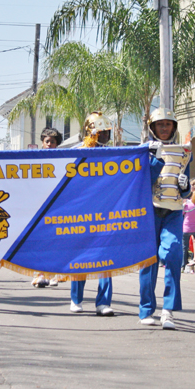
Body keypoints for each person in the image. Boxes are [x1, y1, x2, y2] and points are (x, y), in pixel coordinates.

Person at [139, 108, 191, 329]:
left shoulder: (184, 151)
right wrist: (154, 158)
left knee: (173, 254)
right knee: (149, 260)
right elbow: (143, 181)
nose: (164, 128)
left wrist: (185, 186)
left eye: (168, 124)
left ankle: (168, 310)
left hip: (173, 211)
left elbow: (187, 188)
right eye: (160, 124)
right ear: (152, 127)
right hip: (150, 210)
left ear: (174, 127)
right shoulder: (143, 150)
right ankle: (146, 309)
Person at [70, 112, 115, 316]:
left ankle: (103, 302)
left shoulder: (115, 154)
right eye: (101, 133)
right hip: (80, 213)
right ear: (91, 132)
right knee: (80, 257)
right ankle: (76, 298)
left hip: (106, 213)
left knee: (106, 258)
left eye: (107, 133)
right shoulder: (74, 152)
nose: (106, 137)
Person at [32, 127, 63, 288]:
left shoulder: (64, 159)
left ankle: (54, 274)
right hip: (39, 206)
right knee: (40, 242)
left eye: (53, 142)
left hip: (57, 206)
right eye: (47, 141)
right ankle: (39, 274)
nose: (50, 144)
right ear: (42, 142)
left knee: (55, 242)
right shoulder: (34, 159)